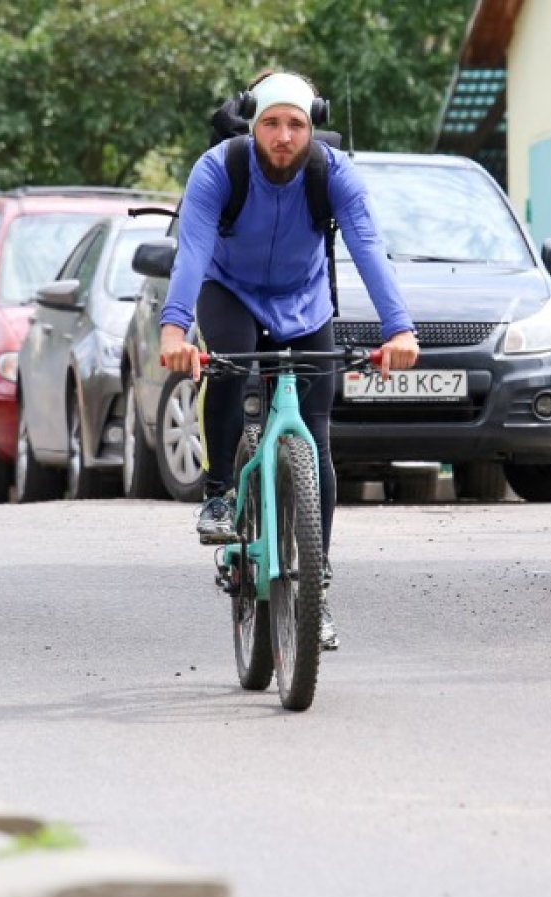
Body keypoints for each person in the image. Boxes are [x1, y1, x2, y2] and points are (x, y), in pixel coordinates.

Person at [160, 70, 419, 650]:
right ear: (254, 126)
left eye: (295, 125)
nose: (283, 137)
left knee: (316, 441)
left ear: (311, 128)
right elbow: (195, 249)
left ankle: (316, 590)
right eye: (271, 124)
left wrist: (398, 327)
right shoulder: (219, 169)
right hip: (229, 291)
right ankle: (219, 493)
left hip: (304, 302)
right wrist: (175, 328)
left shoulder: (334, 174)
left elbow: (368, 247)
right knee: (226, 366)